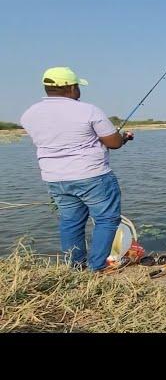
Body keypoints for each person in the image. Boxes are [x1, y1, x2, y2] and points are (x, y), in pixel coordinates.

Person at [20, 66, 134, 272]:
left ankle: (75, 267)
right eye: (77, 87)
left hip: (54, 178)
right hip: (92, 176)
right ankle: (97, 267)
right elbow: (114, 142)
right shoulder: (88, 110)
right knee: (106, 219)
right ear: (71, 88)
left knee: (70, 222)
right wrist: (124, 137)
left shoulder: (30, 114)